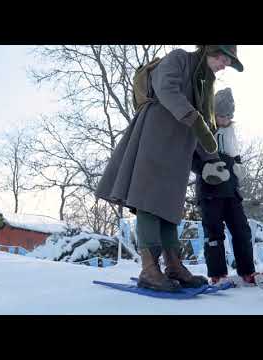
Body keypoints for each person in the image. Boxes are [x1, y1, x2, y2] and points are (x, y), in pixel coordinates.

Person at [95, 45, 244, 292]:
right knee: (148, 202)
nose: (224, 64)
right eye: (223, 57)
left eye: (227, 61)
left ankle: (174, 265)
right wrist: (194, 118)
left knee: (169, 209)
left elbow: (205, 126)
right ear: (210, 49)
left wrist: (212, 160)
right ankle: (149, 269)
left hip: (178, 152)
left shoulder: (206, 84)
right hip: (155, 138)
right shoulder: (179, 59)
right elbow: (166, 89)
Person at [192, 87, 257, 285]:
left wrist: (239, 167)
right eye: (221, 115)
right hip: (209, 192)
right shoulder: (201, 131)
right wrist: (205, 168)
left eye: (228, 116)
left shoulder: (230, 134)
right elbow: (191, 158)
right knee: (214, 233)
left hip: (231, 192)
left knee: (242, 230)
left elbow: (235, 158)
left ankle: (247, 271)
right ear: (213, 114)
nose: (225, 120)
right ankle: (217, 273)